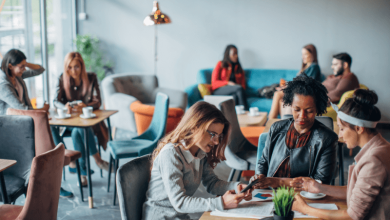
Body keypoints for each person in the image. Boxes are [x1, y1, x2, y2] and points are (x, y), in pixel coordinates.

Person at [143, 101, 252, 220]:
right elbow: (180, 203)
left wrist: (238, 186)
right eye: (212, 134)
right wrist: (221, 203)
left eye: (218, 136)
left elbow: (212, 183)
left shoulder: (200, 152)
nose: (216, 142)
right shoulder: (171, 154)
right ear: (195, 127)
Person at [291, 89, 390, 220]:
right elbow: (356, 191)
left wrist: (305, 209)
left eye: (342, 129)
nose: (340, 135)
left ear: (359, 128)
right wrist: (319, 187)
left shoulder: (373, 160)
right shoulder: (381, 147)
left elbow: (352, 215)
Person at [250, 74, 338, 189]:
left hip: (304, 197)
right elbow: (264, 161)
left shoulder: (326, 138)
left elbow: (321, 181)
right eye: (297, 109)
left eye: (309, 111)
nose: (302, 116)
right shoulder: (276, 128)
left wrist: (277, 182)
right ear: (290, 105)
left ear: (317, 108)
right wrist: (260, 176)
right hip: (270, 193)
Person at [51, 52, 111, 187]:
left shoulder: (92, 78)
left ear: (82, 66)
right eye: (69, 67)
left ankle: (81, 172)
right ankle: (98, 161)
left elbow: (98, 101)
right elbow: (55, 101)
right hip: (68, 122)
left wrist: (86, 106)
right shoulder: (62, 78)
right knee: (61, 128)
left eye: (76, 67)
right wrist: (65, 106)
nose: (73, 71)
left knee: (78, 131)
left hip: (89, 122)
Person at [268, 44, 322, 118]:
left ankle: (270, 122)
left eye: (305, 54)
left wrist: (288, 86)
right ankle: (282, 124)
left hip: (304, 92)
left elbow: (307, 83)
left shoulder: (314, 67)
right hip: (297, 90)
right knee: (281, 101)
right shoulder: (305, 67)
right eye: (302, 54)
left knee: (277, 94)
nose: (302, 57)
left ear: (312, 54)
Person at [0, 49, 49, 114]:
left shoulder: (17, 76)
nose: (25, 69)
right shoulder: (3, 85)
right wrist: (43, 110)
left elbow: (40, 70)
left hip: (24, 119)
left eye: (25, 66)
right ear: (10, 66)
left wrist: (24, 63)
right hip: (11, 122)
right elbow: (21, 108)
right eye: (22, 66)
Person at [212, 44, 248, 109]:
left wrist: (235, 86)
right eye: (234, 54)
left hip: (235, 90)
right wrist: (228, 83)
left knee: (234, 96)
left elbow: (243, 86)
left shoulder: (239, 68)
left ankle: (236, 116)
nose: (236, 56)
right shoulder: (220, 64)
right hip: (220, 90)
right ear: (228, 55)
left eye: (237, 53)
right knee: (238, 88)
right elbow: (214, 83)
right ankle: (245, 111)